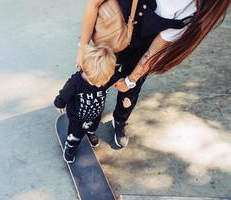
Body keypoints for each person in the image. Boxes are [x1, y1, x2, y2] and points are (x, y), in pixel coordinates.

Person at [75, 0, 230, 148]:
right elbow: (94, 3)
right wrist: (83, 48)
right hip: (108, 41)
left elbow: (153, 51)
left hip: (140, 52)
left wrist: (130, 80)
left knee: (130, 93)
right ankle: (89, 120)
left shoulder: (192, 9)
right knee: (91, 84)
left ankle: (120, 120)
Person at [54, 44, 120, 163]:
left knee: (94, 125)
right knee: (76, 133)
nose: (100, 85)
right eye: (95, 82)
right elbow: (65, 93)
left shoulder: (105, 75)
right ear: (86, 71)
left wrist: (127, 81)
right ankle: (70, 146)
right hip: (77, 117)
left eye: (103, 82)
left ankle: (90, 133)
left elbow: (119, 76)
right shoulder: (75, 82)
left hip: (96, 113)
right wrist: (59, 103)